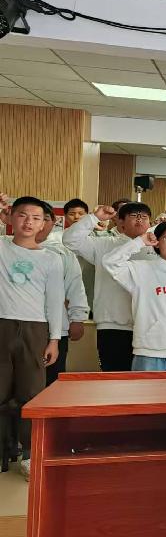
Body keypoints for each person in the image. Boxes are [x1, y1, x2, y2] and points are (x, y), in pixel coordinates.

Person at [0, 195, 64, 479]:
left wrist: (54, 339)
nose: (29, 222)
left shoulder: (51, 259)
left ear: (43, 224)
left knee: (31, 394)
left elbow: (55, 301)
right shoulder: (2, 247)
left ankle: (28, 453)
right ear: (11, 218)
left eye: (36, 218)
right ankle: (3, 449)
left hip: (35, 329)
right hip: (2, 325)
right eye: (23, 215)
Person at [63, 202, 158, 371]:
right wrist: (94, 218)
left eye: (144, 216)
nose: (139, 220)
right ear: (120, 222)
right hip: (113, 325)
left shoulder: (158, 249)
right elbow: (70, 240)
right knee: (113, 376)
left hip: (149, 326)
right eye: (134, 216)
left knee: (145, 380)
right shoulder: (104, 244)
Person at [102, 222, 166, 371]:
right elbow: (110, 262)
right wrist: (140, 241)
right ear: (157, 243)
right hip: (148, 351)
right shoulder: (142, 269)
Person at [31, 202, 88, 385]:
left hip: (57, 327)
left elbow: (75, 286)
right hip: (19, 324)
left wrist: (77, 318)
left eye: (45, 219)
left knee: (52, 379)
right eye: (35, 218)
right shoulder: (9, 247)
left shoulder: (62, 252)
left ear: (53, 221)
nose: (40, 224)